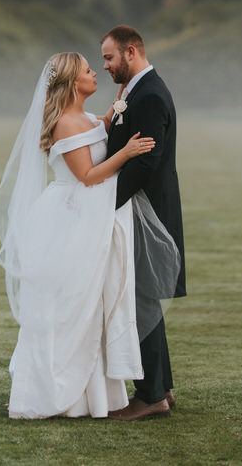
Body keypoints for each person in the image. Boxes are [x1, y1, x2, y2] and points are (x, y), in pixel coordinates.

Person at [0, 52, 179, 420]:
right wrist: (125, 153)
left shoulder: (87, 118)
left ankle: (96, 394)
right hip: (69, 219)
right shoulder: (63, 123)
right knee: (67, 303)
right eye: (89, 70)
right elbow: (88, 176)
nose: (96, 72)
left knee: (90, 304)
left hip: (85, 214)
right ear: (74, 82)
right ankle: (54, 389)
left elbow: (105, 124)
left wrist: (124, 97)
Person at [101, 25, 186, 421]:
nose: (105, 66)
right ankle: (162, 388)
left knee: (141, 297)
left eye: (109, 58)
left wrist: (104, 202)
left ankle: (150, 394)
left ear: (130, 52)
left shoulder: (149, 95)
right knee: (145, 295)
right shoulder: (136, 91)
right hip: (140, 208)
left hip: (145, 211)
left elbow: (147, 161)